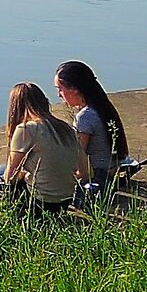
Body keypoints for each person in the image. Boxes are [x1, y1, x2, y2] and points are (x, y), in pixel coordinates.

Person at [1, 81, 87, 213]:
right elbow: (83, 173)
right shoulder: (67, 129)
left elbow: (9, 178)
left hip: (38, 201)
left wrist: (24, 176)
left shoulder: (26, 129)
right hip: (64, 201)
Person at [54, 59, 129, 197]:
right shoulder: (101, 107)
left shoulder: (85, 116)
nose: (59, 95)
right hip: (110, 170)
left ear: (74, 89)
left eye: (60, 89)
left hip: (97, 176)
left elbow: (77, 156)